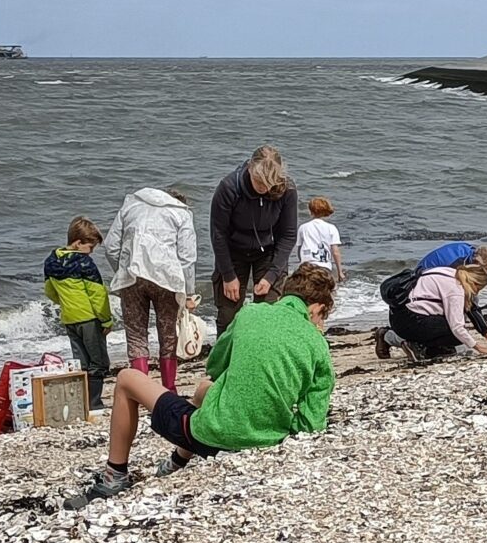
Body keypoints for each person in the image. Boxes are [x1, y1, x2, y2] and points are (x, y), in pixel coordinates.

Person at [70, 264, 337, 505]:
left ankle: (114, 476)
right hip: (267, 438)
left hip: (211, 435)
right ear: (316, 308)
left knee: (127, 379)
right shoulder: (318, 345)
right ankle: (177, 460)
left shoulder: (251, 314)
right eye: (321, 317)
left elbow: (215, 366)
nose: (320, 324)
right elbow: (311, 424)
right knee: (203, 392)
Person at [102, 187, 198, 391]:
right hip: (166, 278)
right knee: (168, 334)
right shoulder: (181, 213)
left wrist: (122, 270)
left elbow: (110, 246)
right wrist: (188, 293)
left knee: (136, 335)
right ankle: (169, 389)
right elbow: (187, 258)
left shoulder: (131, 205)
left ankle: (140, 390)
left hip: (133, 275)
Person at [210, 146, 299, 332]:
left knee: (268, 312)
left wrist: (271, 276)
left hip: (268, 251)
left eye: (269, 183)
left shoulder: (287, 190)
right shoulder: (228, 187)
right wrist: (228, 275)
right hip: (233, 251)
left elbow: (288, 235)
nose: (264, 188)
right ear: (250, 167)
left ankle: (266, 358)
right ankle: (226, 358)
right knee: (228, 315)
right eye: (259, 181)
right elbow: (218, 234)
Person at [45, 217, 115, 402]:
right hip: (89, 318)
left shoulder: (51, 261)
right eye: (90, 247)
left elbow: (50, 291)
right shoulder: (85, 263)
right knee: (98, 362)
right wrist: (106, 319)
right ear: (77, 243)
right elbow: (98, 295)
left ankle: (82, 401)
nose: (90, 252)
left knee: (81, 362)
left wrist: (67, 302)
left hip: (69, 318)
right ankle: (94, 402)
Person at [387, 262, 487, 359]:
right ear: (474, 282)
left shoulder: (448, 272)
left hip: (397, 315)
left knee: (455, 331)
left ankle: (428, 348)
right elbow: (457, 327)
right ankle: (418, 345)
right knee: (456, 335)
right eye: (478, 289)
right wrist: (479, 348)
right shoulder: (456, 289)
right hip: (411, 322)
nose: (476, 293)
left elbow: (471, 309)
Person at [298, 196, 346, 281]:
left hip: (307, 266)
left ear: (311, 211)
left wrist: (301, 261)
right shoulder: (331, 228)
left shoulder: (303, 227)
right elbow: (335, 252)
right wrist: (340, 271)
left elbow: (299, 249)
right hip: (324, 267)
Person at [416, 241, 487, 273]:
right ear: (477, 262)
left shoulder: (469, 251)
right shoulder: (459, 262)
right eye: (482, 271)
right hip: (421, 276)